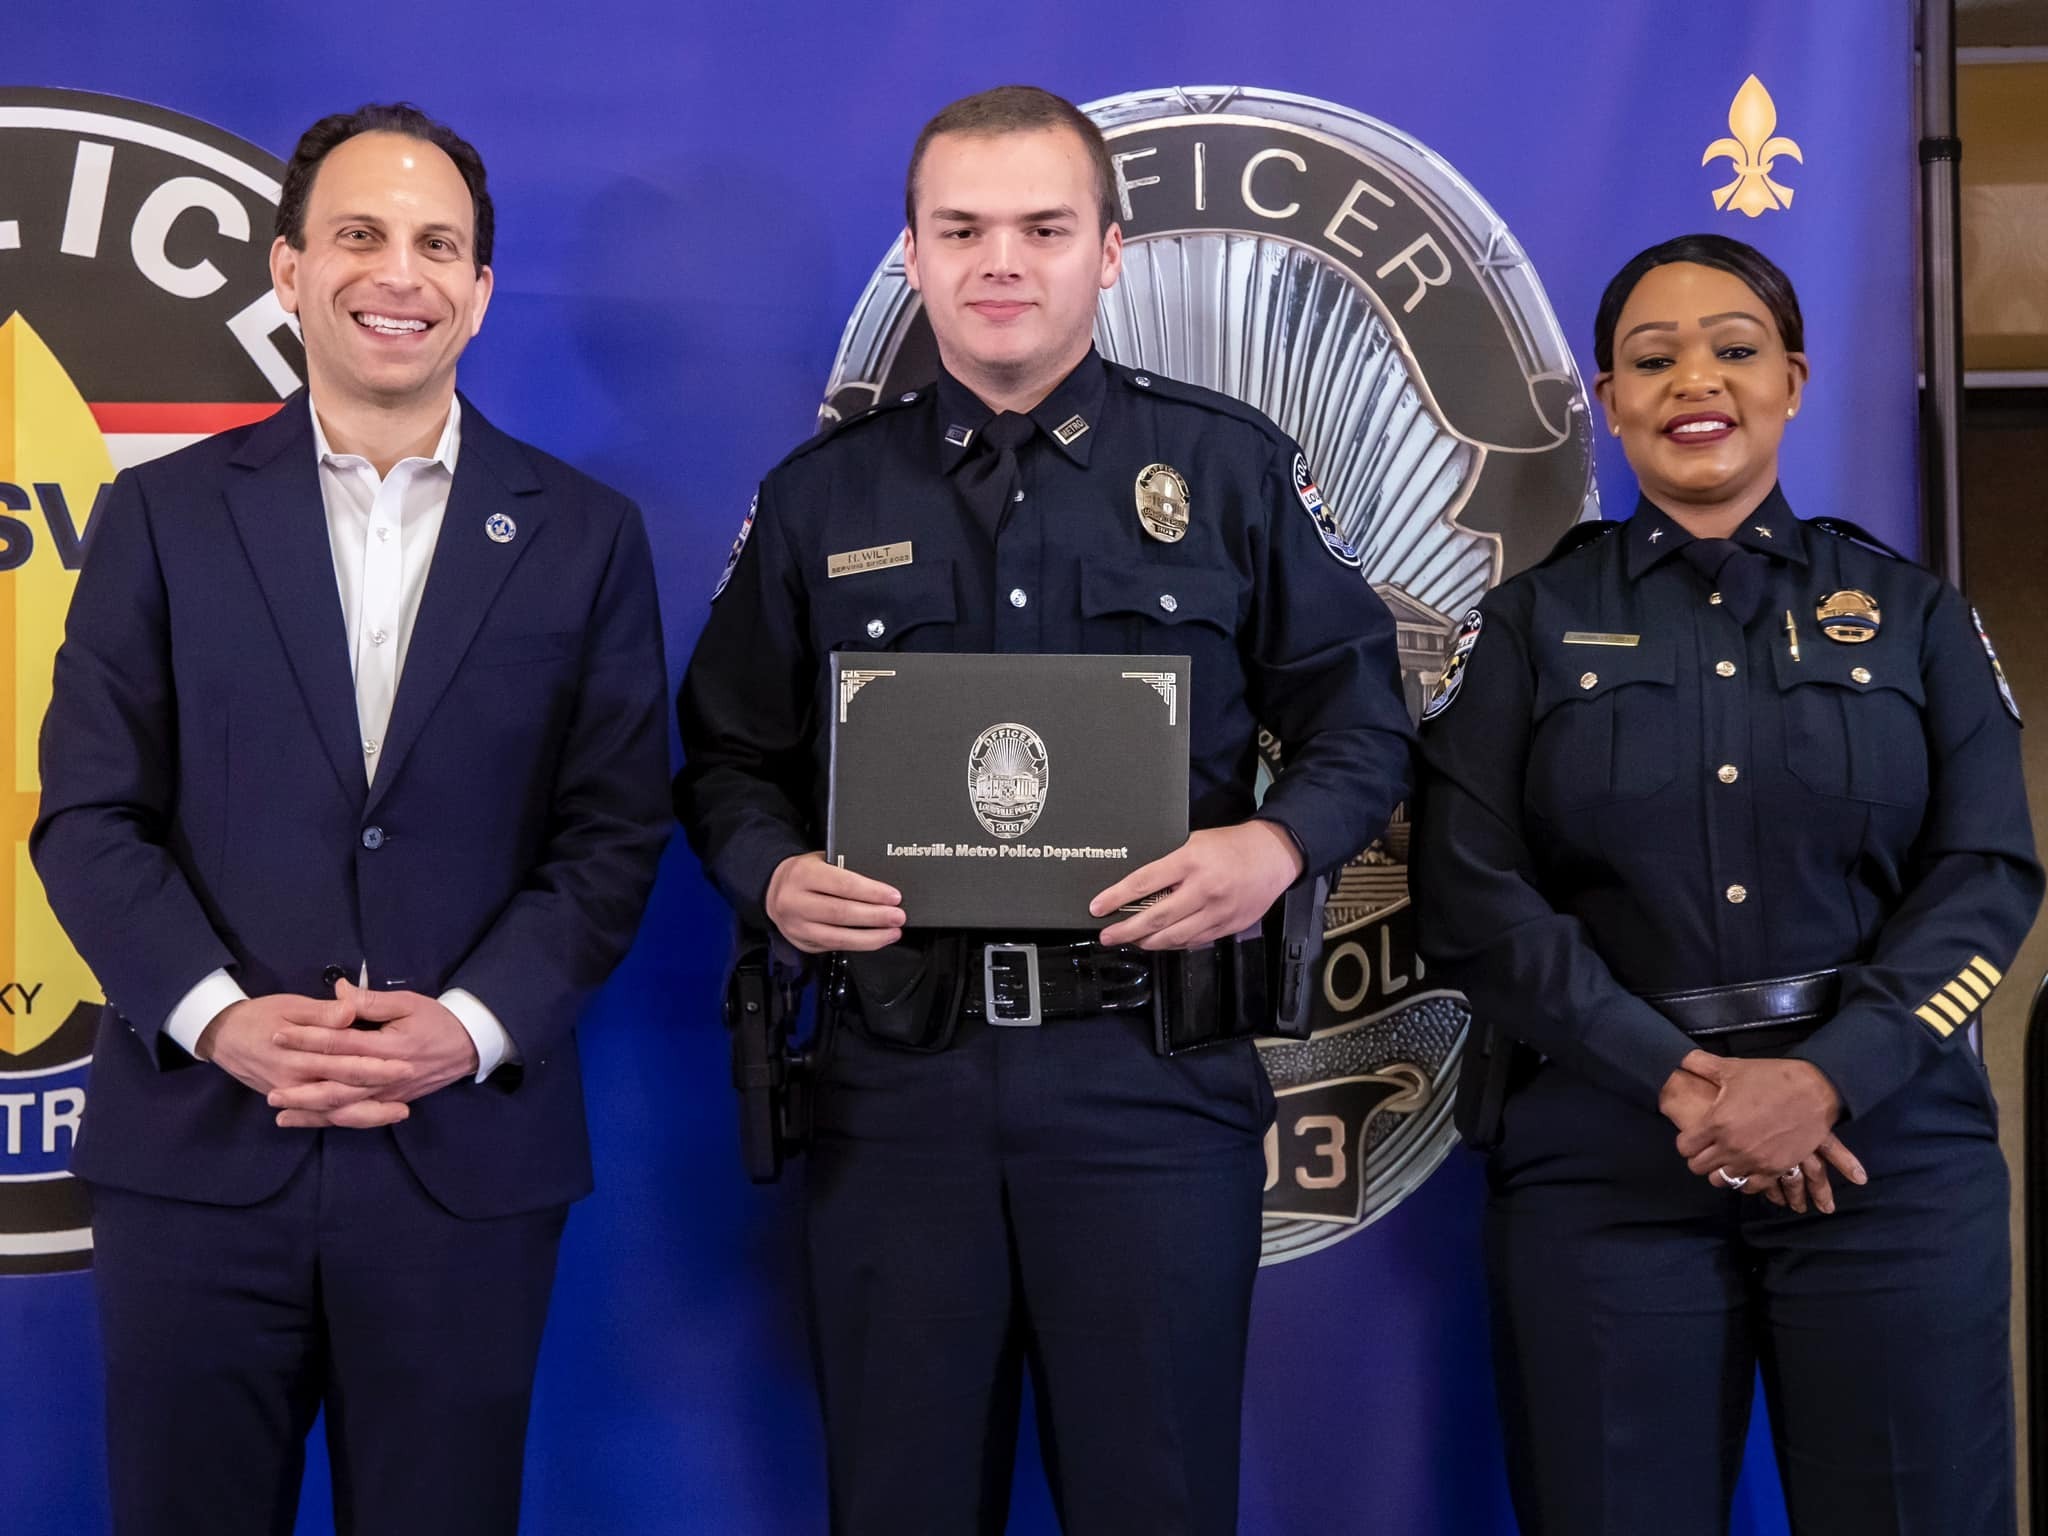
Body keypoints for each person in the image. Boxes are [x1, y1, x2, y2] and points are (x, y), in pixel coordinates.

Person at [676, 84, 1411, 1534]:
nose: (1000, 261)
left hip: (1148, 1074)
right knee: (898, 1501)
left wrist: (1271, 847)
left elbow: (1361, 719)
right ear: (915, 254)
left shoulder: (1227, 471)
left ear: (1110, 252)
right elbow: (720, 756)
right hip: (900, 1085)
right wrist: (769, 877)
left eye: (1041, 227)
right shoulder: (821, 499)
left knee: (1157, 1498)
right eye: (962, 228)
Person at [32, 104, 670, 1536]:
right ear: (289, 271)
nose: (402, 272)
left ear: (484, 291)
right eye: (362, 236)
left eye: (439, 244)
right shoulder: (162, 520)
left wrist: (473, 1025)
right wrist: (217, 1016)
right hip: (200, 1156)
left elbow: (613, 835)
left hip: (464, 1167)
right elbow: (89, 815)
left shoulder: (583, 535)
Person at [1413, 233, 2040, 1536]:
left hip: (1885, 1156)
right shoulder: (1527, 629)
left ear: (1795, 381)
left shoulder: (1918, 618)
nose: (1697, 379)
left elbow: (1988, 880)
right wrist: (1683, 1079)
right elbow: (1469, 896)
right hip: (1609, 1161)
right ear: (1611, 401)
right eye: (1654, 359)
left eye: (1736, 349)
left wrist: (1823, 1079)